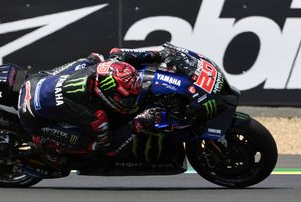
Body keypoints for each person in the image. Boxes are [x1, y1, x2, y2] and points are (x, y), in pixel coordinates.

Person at [17, 45, 200, 164]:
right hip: (33, 115)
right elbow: (110, 148)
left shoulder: (110, 67)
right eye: (124, 98)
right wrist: (140, 122)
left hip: (39, 80)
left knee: (94, 58)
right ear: (104, 94)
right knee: (93, 147)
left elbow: (118, 52)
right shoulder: (94, 115)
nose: (129, 101)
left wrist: (158, 54)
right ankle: (44, 143)